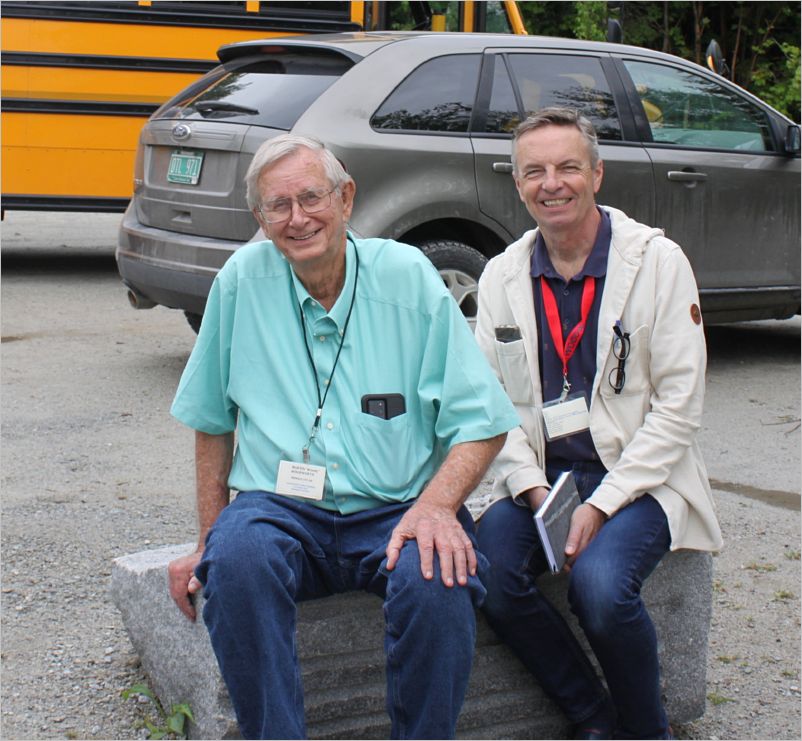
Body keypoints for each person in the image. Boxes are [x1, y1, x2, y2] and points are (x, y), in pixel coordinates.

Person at [166, 134, 519, 740]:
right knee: (237, 563)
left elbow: (481, 424)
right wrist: (208, 537)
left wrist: (437, 507)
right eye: (278, 206)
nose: (298, 218)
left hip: (394, 508)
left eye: (311, 197)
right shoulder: (241, 282)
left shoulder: (407, 277)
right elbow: (211, 422)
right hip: (276, 508)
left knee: (438, 578)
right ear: (261, 218)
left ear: (346, 196)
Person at [474, 107, 723, 740]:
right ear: (518, 183)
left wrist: (603, 505)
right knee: (487, 575)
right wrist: (534, 492)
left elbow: (678, 408)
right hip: (543, 476)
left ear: (597, 174)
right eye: (534, 171)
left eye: (567, 167)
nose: (551, 183)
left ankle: (646, 731)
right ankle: (592, 719)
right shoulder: (503, 275)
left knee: (600, 589)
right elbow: (490, 407)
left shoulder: (658, 262)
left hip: (638, 476)